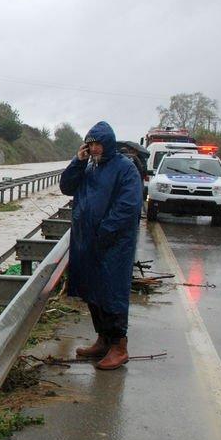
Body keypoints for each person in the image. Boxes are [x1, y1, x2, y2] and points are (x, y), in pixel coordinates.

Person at [60, 121, 142, 370]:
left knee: (111, 293)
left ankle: (119, 345)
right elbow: (66, 187)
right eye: (90, 144)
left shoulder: (125, 169)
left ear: (107, 144)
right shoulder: (88, 167)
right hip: (88, 241)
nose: (94, 148)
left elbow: (128, 206)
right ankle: (103, 339)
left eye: (97, 144)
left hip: (113, 244)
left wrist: (105, 231)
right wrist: (78, 161)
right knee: (92, 291)